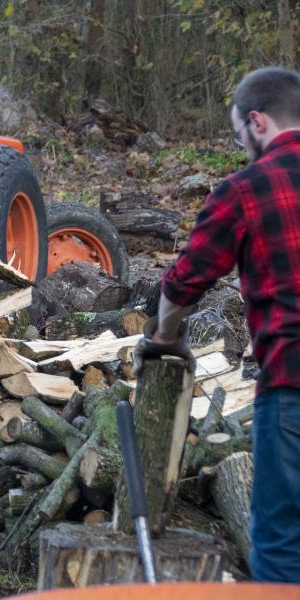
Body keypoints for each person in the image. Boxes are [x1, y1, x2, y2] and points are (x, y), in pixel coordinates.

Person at [137, 66, 300, 583]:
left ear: (257, 122)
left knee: (282, 548)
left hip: (292, 387)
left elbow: (184, 282)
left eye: (238, 135)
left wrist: (164, 338)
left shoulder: (249, 188)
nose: (241, 146)